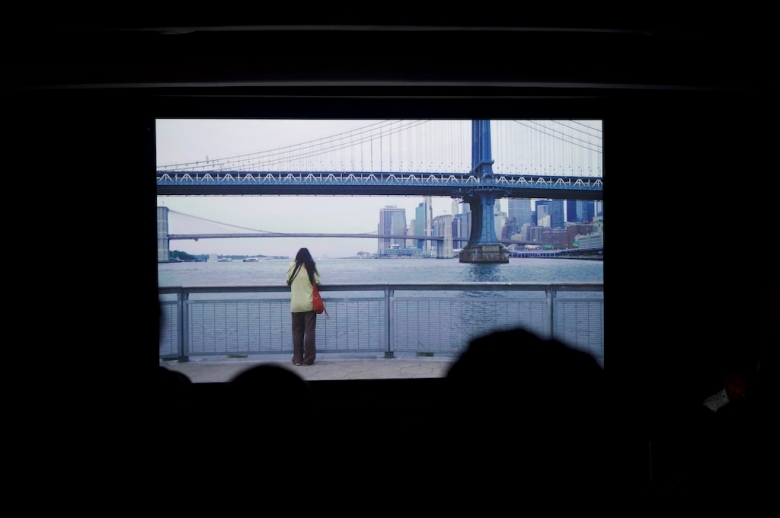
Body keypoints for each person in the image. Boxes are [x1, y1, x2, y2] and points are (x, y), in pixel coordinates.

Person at [286, 247, 321, 366]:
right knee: (309, 332)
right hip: (309, 304)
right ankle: (308, 359)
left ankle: (297, 359)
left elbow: (288, 281)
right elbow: (317, 282)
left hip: (295, 304)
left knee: (297, 332)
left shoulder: (291, 265)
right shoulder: (311, 265)